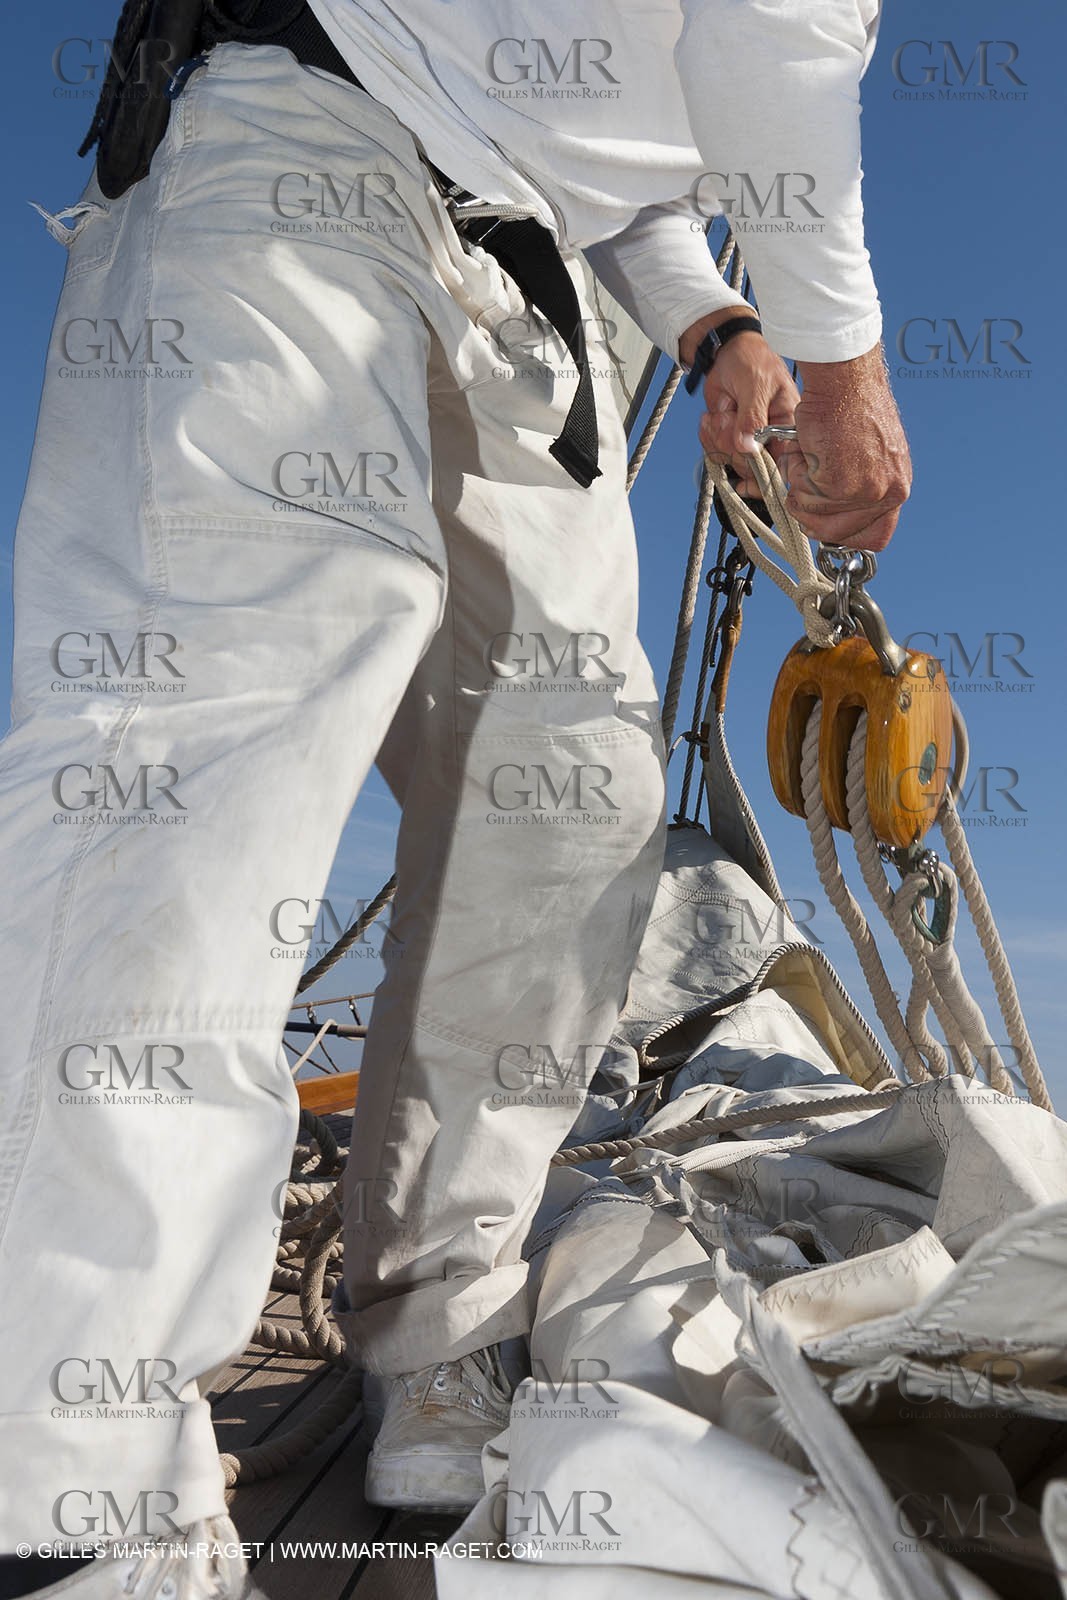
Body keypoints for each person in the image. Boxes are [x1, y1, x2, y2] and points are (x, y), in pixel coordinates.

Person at [0, 0, 910, 1593]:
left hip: (527, 263)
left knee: (575, 787)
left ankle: (440, 1322)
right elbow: (771, 39)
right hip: (302, 104)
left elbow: (620, 168)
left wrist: (710, 324)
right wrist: (843, 359)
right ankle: (57, 1467)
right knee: (244, 670)